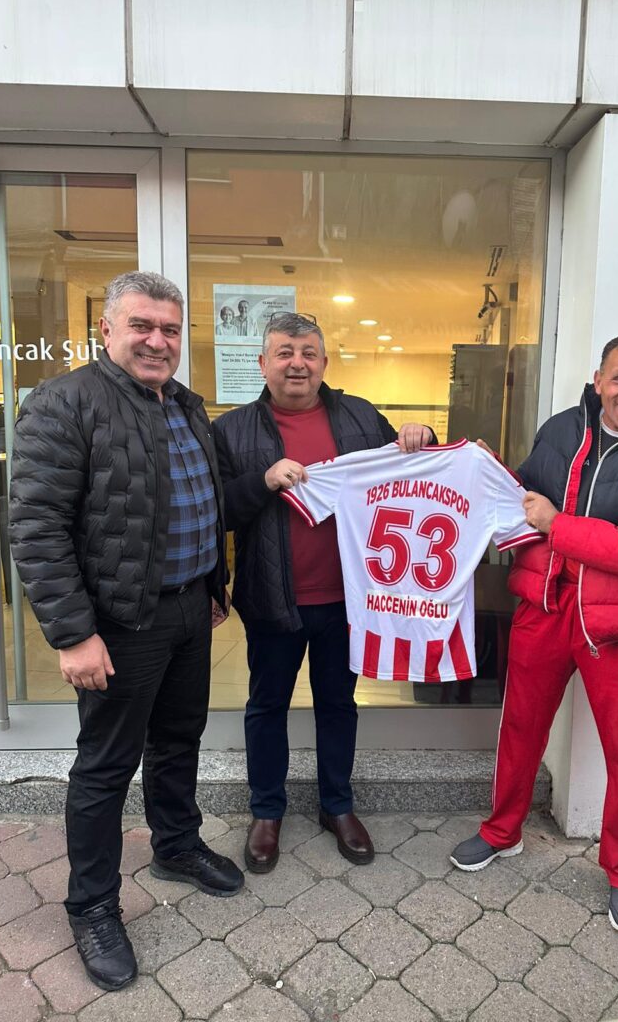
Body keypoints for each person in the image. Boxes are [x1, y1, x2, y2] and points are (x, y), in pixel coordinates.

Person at [8, 271, 243, 992]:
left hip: (187, 610)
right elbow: (37, 528)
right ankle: (92, 907)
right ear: (106, 330)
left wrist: (210, 586)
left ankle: (175, 845)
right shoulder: (65, 403)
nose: (157, 340)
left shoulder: (185, 405)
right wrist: (73, 635)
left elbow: (201, 502)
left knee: (178, 738)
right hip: (118, 623)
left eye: (170, 329)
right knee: (106, 766)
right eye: (141, 325)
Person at [450, 333, 618, 938]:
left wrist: (558, 525)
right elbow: (524, 496)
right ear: (598, 380)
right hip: (545, 601)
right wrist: (486, 469)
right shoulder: (563, 428)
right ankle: (502, 831)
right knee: (520, 725)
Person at [213, 312, 434, 873]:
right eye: (285, 353)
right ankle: (266, 811)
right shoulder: (232, 430)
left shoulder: (360, 416)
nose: (297, 363)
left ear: (324, 362)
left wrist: (422, 437)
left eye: (308, 353)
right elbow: (217, 511)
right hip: (272, 598)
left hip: (349, 600)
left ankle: (337, 805)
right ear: (262, 364)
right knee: (267, 706)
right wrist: (263, 481)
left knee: (338, 704)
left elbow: (410, 476)